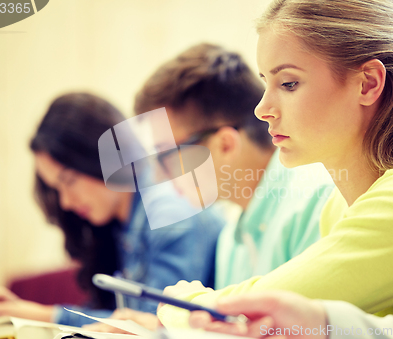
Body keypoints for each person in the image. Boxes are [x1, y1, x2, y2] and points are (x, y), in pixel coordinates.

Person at [186, 1, 393, 337]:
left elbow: (256, 306)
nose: (262, 109)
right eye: (266, 82)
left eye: (288, 83)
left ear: (367, 84)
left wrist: (172, 302)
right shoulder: (338, 204)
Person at [83, 42, 333, 333]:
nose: (160, 176)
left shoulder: (317, 202)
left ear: (224, 144)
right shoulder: (231, 236)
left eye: (166, 155)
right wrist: (163, 331)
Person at [0, 93, 224, 327]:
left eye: (69, 181)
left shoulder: (168, 210)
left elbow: (152, 324)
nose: (66, 203)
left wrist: (40, 315)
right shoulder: (120, 223)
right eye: (56, 189)